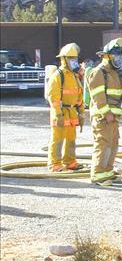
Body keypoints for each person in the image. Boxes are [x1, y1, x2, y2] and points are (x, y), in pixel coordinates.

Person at [88, 38, 122, 186]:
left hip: (114, 117)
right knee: (103, 144)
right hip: (103, 117)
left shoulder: (114, 73)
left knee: (113, 144)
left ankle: (107, 171)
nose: (119, 59)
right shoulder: (98, 72)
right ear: (106, 56)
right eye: (116, 56)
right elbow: (98, 97)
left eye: (120, 56)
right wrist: (107, 113)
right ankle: (98, 174)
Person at [47, 43, 85, 172]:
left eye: (75, 58)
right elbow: (53, 97)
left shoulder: (75, 76)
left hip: (72, 113)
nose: (74, 61)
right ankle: (55, 164)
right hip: (61, 112)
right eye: (70, 58)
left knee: (71, 139)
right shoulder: (58, 76)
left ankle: (70, 162)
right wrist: (58, 115)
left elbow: (79, 95)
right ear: (63, 59)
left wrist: (81, 113)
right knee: (57, 139)